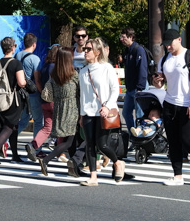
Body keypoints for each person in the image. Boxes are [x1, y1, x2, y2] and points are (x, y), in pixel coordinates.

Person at [158, 30, 190, 186]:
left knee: (187, 138)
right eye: (166, 45)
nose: (168, 47)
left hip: (187, 104)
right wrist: (157, 81)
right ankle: (177, 176)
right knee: (173, 141)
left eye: (170, 43)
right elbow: (160, 82)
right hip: (169, 103)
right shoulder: (164, 59)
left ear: (179, 39)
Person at [79, 37, 121, 186]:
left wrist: (107, 106)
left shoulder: (106, 68)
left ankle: (117, 162)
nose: (85, 51)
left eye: (88, 49)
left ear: (97, 52)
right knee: (90, 144)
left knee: (102, 144)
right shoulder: (83, 71)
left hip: (103, 112)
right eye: (84, 49)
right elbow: (83, 95)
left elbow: (115, 89)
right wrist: (81, 114)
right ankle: (93, 177)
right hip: (87, 112)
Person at [36, 47, 81, 177]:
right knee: (69, 141)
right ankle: (46, 160)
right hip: (72, 108)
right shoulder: (73, 75)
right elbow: (79, 93)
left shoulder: (55, 75)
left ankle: (74, 167)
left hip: (59, 107)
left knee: (69, 139)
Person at [0, 37, 26, 166]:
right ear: (13, 48)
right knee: (9, 126)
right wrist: (27, 82)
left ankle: (15, 154)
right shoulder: (16, 63)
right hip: (13, 99)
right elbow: (21, 82)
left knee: (13, 125)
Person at [18, 33, 50, 162]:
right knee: (38, 121)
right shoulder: (35, 59)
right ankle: (37, 149)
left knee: (23, 120)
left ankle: (6, 141)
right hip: (33, 94)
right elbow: (37, 79)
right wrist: (43, 92)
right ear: (34, 44)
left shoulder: (18, 55)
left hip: (20, 93)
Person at [119, 28, 148, 132]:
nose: (121, 39)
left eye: (123, 37)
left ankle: (141, 137)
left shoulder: (138, 50)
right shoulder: (127, 50)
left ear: (130, 37)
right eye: (121, 37)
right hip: (130, 88)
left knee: (140, 115)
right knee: (126, 113)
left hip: (138, 87)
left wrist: (140, 88)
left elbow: (142, 69)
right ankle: (132, 135)